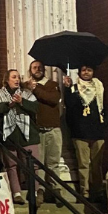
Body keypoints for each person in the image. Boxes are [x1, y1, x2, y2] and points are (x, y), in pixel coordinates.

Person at [0, 71, 40, 206]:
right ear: (7, 80)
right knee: (11, 165)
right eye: (14, 77)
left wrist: (22, 102)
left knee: (32, 164)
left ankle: (34, 191)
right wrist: (8, 105)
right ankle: (16, 193)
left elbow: (35, 108)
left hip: (27, 134)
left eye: (18, 77)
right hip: (8, 135)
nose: (17, 80)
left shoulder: (26, 94)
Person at [63, 65, 106, 200]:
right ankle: (85, 192)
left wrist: (104, 126)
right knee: (83, 165)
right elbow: (69, 107)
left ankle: (98, 191)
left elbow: (104, 108)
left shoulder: (99, 87)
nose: (86, 72)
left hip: (97, 133)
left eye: (89, 69)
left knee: (96, 165)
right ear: (80, 72)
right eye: (84, 70)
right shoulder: (74, 88)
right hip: (80, 133)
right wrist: (67, 88)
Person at [27, 61, 63, 203]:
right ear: (30, 70)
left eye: (40, 68)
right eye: (34, 67)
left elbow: (53, 99)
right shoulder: (27, 86)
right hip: (37, 130)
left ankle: (56, 190)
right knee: (38, 163)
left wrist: (35, 89)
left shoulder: (52, 85)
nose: (37, 70)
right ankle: (39, 191)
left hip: (53, 129)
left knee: (53, 162)